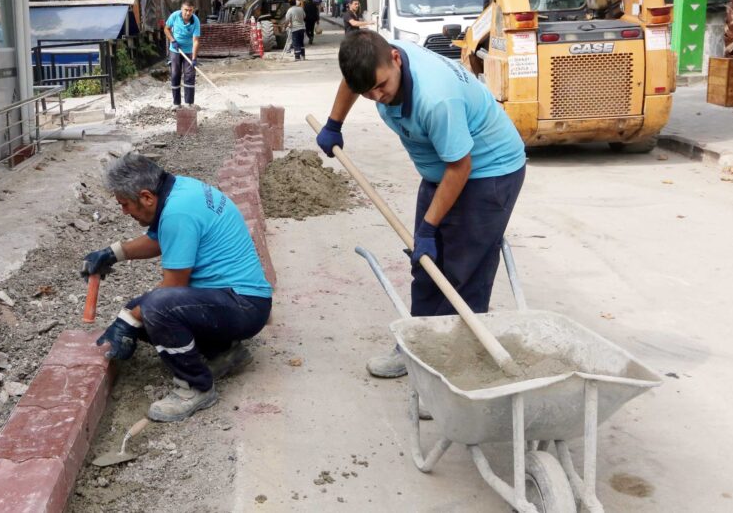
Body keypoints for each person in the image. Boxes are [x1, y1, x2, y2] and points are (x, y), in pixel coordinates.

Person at [316, 30, 526, 378]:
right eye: (367, 91)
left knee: (463, 273)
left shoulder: (436, 98)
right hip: (442, 171)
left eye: (381, 86)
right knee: (426, 263)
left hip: (489, 172)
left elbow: (461, 167)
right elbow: (355, 81)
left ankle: (453, 372)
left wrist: (429, 227)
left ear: (396, 59)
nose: (377, 96)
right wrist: (334, 123)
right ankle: (418, 349)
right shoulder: (374, 67)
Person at [82, 153, 273, 421]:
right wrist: (113, 253)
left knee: (155, 309)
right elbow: (161, 240)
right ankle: (224, 353)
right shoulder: (179, 190)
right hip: (238, 300)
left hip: (243, 305)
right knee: (145, 311)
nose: (124, 211)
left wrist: (127, 319)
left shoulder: (177, 212)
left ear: (147, 197)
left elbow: (172, 288)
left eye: (125, 204)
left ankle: (195, 387)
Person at [163, 2, 201, 107]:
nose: (188, 13)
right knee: (175, 75)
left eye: (190, 10)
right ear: (181, 9)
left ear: (193, 10)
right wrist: (172, 40)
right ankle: (176, 103)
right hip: (175, 50)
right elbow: (166, 29)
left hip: (189, 51)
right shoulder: (175, 16)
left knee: (189, 75)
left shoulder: (195, 21)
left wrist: (194, 58)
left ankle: (189, 103)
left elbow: (196, 41)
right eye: (186, 10)